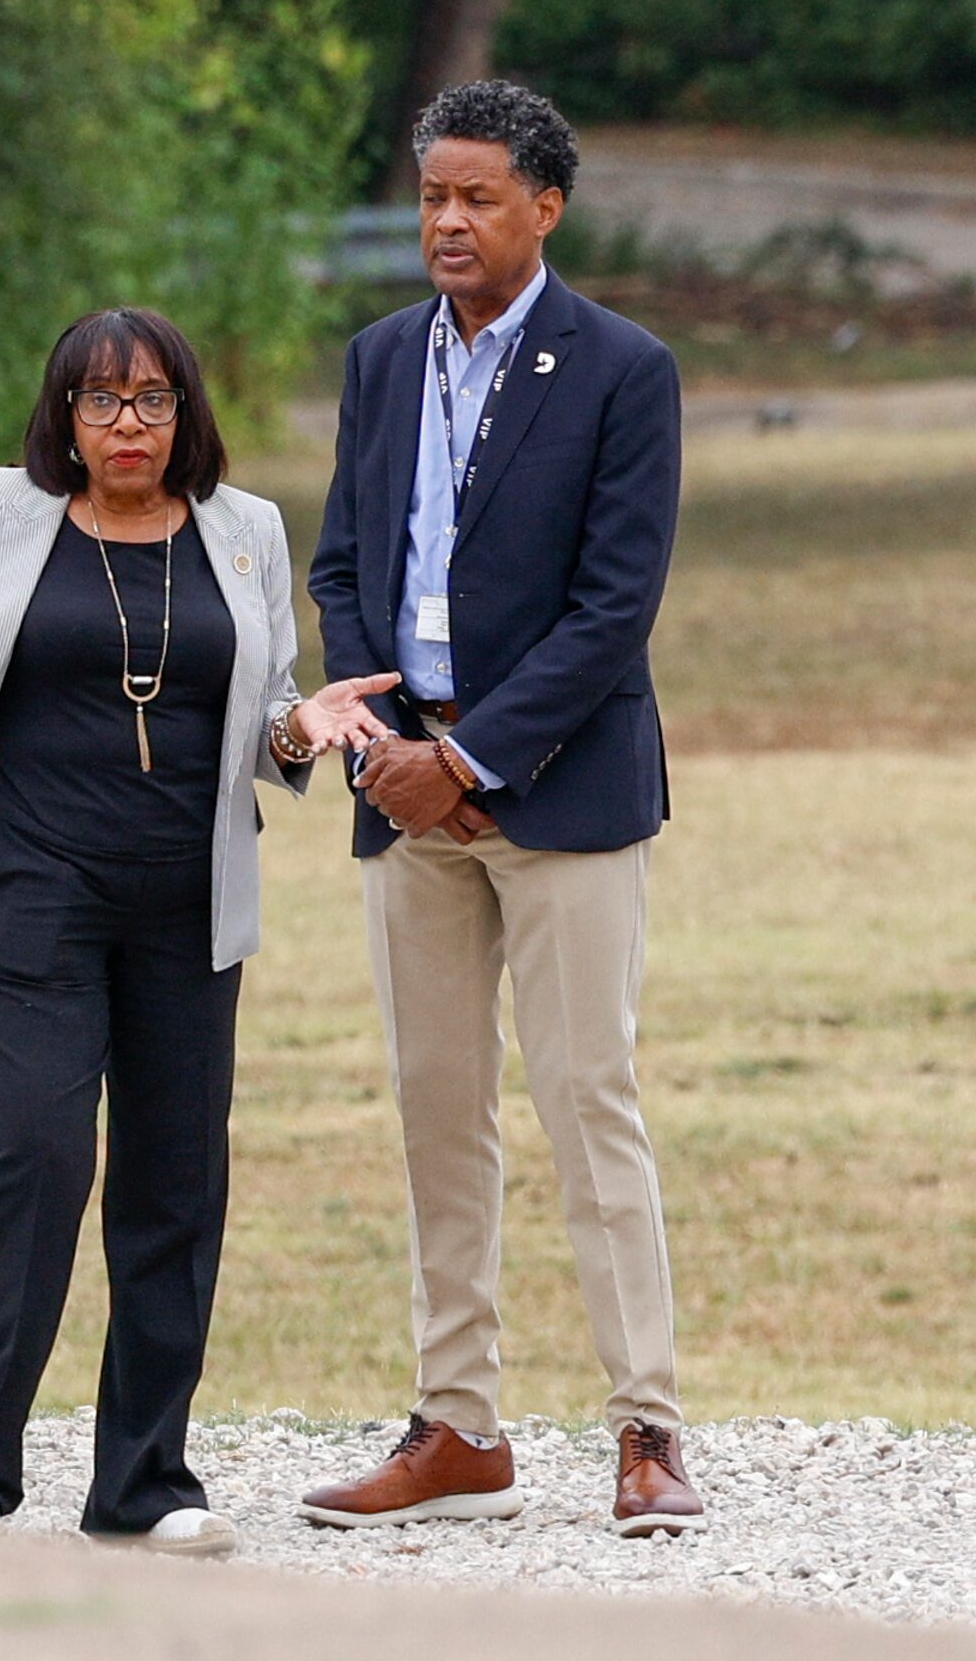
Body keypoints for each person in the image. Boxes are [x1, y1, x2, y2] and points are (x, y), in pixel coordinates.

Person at [0, 307, 398, 1552]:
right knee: (37, 1148)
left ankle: (146, 1482)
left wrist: (303, 730)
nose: (128, 425)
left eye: (153, 401)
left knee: (177, 1176)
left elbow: (267, 713)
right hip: (35, 882)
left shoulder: (245, 533)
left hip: (190, 893)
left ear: (189, 414)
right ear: (63, 418)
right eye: (101, 402)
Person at [301, 80, 702, 1537]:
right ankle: (456, 1423)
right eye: (430, 197)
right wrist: (393, 741)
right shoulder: (378, 361)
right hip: (400, 785)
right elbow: (342, 564)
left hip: (563, 797)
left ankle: (646, 1425)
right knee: (435, 1107)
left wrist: (471, 766)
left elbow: (613, 610)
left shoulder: (620, 368)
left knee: (586, 1099)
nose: (447, 222)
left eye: (476, 196)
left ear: (546, 206)